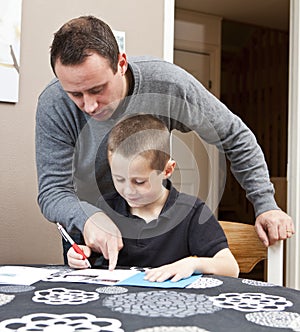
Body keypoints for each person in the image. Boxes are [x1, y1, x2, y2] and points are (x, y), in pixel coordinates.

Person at [35, 15, 294, 270]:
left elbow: (234, 135)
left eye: (97, 89)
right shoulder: (54, 103)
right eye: (75, 94)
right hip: (90, 238)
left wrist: (265, 205)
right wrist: (87, 218)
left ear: (121, 64)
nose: (88, 105)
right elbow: (53, 191)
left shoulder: (168, 84)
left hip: (156, 230)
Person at [67, 114, 239, 281]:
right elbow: (89, 254)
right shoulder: (105, 208)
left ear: (167, 170)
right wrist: (79, 254)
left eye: (139, 182)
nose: (128, 190)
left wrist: (192, 264)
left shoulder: (191, 212)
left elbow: (231, 268)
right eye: (118, 179)